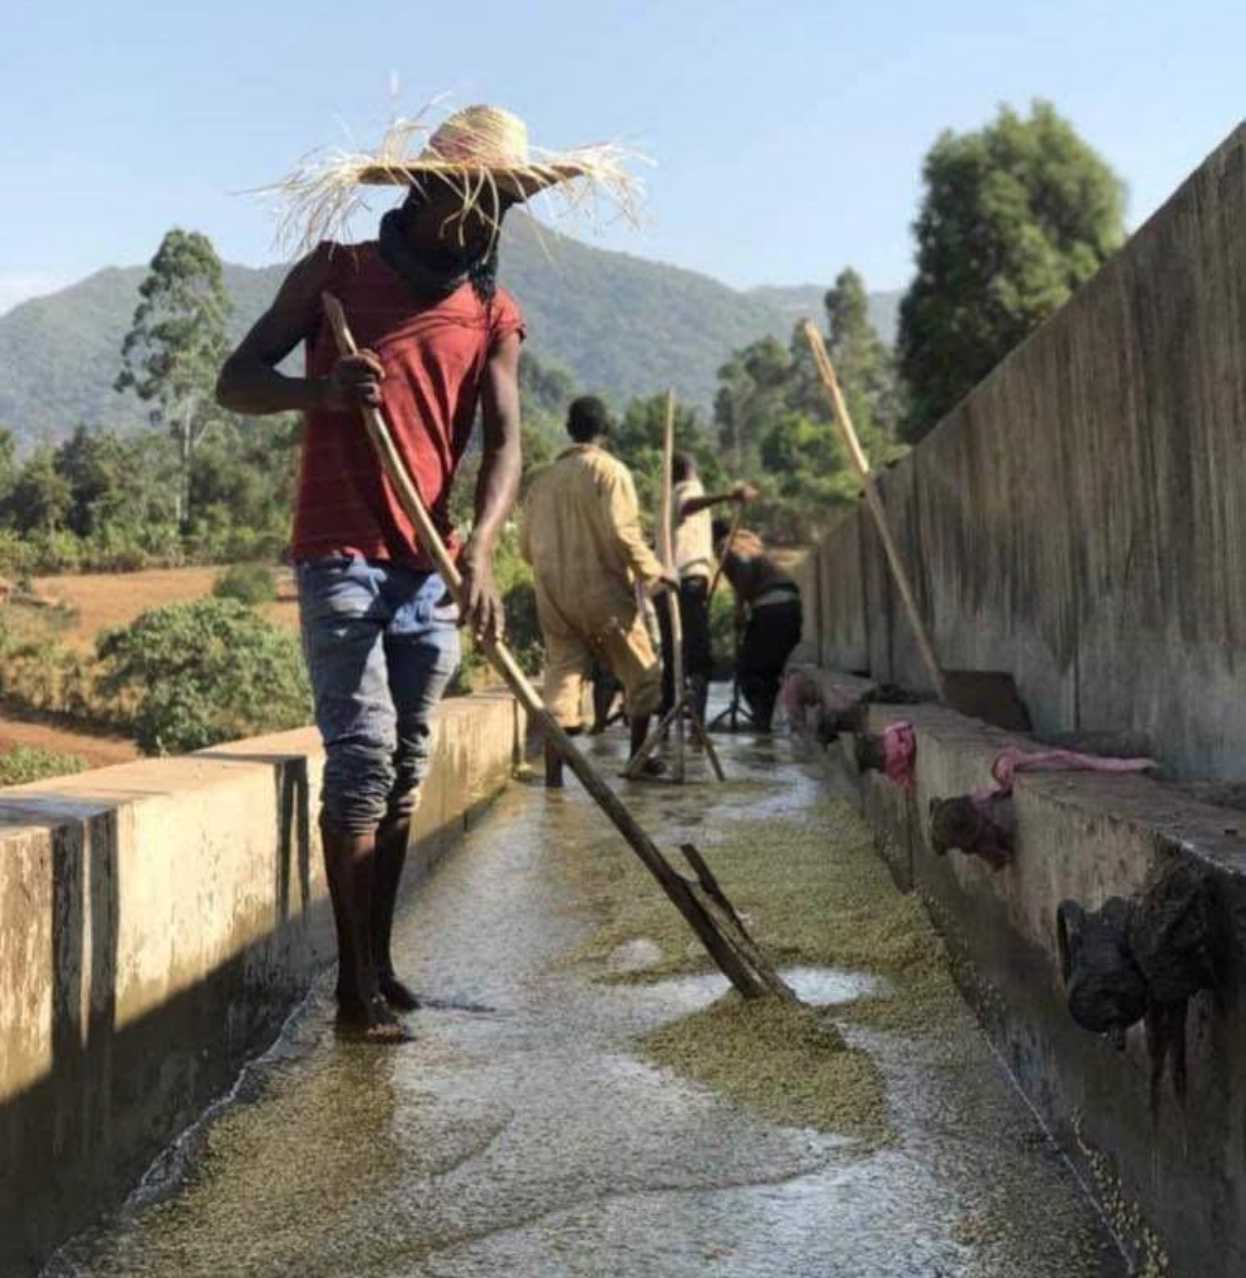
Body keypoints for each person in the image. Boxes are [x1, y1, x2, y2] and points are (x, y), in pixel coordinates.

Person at [216, 104, 633, 1042]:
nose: (484, 221)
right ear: (422, 189)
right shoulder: (336, 276)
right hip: (342, 557)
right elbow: (235, 381)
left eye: (501, 205)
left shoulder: (491, 312)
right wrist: (320, 392)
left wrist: (480, 549)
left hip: (429, 568)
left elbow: (506, 444)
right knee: (361, 763)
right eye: (472, 199)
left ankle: (378, 964)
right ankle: (352, 993)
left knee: (405, 771)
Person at [520, 396, 675, 786]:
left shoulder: (540, 482)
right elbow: (624, 532)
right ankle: (639, 759)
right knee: (643, 675)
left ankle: (554, 779)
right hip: (602, 590)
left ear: (569, 430)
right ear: (605, 432)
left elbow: (524, 548)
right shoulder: (609, 471)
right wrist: (654, 571)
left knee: (561, 681)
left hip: (554, 595)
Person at [655, 453, 756, 729]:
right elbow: (689, 506)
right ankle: (696, 727)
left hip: (666, 584)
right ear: (690, 470)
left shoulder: (665, 499)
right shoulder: (687, 488)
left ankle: (665, 726)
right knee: (699, 658)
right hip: (686, 580)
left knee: (673, 656)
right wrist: (728, 496)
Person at [712, 521, 803, 733]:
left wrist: (739, 609)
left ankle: (762, 721)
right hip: (789, 607)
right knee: (768, 674)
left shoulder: (726, 546)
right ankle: (764, 725)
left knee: (747, 672)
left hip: (771, 608)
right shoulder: (748, 542)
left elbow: (745, 568)